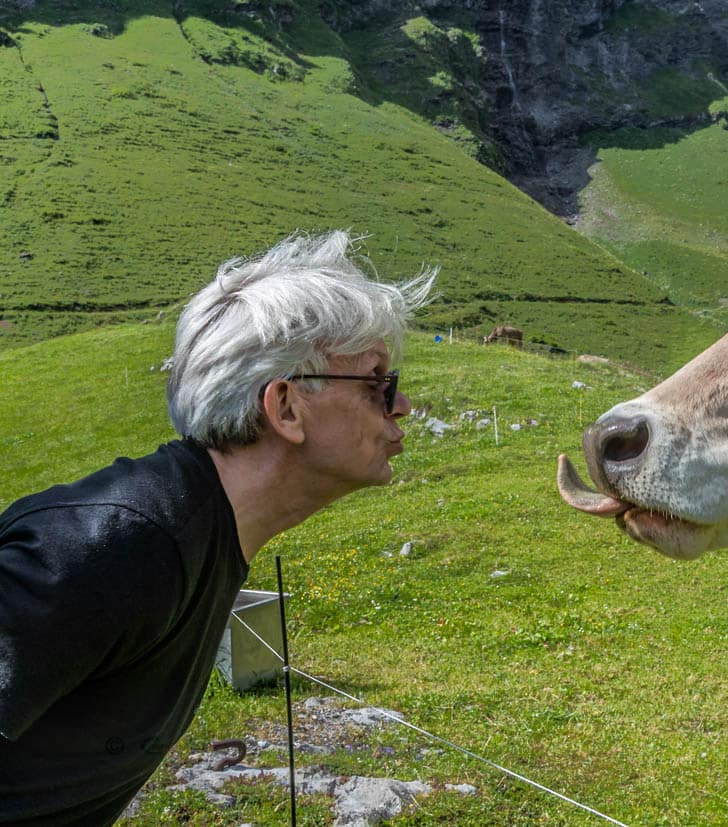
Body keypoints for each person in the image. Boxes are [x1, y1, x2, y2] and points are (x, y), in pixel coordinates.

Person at [0, 231, 435, 824]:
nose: (402, 404)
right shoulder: (118, 547)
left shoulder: (192, 533)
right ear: (285, 407)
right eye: (378, 383)